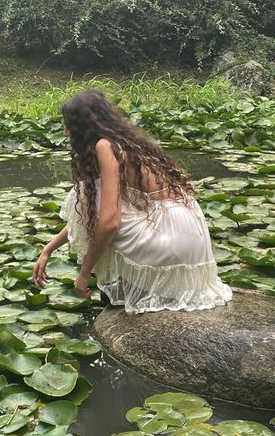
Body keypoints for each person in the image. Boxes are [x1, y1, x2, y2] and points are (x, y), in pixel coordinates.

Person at [32, 89, 232, 314]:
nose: (66, 132)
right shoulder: (125, 141)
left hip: (171, 236)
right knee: (92, 195)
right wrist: (48, 249)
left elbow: (108, 222)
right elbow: (92, 215)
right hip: (187, 233)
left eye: (70, 125)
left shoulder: (105, 146)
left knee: (88, 196)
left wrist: (84, 274)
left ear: (84, 126)